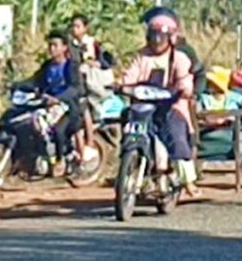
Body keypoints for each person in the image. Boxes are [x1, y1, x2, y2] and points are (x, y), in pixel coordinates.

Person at [120, 13, 201, 198]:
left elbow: (186, 79)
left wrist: (183, 88)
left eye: (161, 37)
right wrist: (122, 85)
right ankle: (130, 162)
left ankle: (188, 180)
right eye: (153, 36)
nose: (157, 41)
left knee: (175, 135)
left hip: (171, 106)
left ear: (171, 38)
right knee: (127, 119)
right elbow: (129, 76)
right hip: (143, 105)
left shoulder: (179, 58)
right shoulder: (141, 56)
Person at [26, 31, 84, 176]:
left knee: (58, 131)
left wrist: (59, 98)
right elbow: (34, 81)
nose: (51, 48)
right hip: (49, 106)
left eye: (55, 45)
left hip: (68, 108)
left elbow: (76, 88)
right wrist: (15, 85)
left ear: (64, 47)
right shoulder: (47, 66)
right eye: (50, 45)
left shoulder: (71, 66)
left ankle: (61, 159)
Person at [69, 14, 112, 156]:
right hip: (76, 82)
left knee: (83, 108)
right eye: (73, 26)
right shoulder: (70, 44)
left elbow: (107, 62)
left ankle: (90, 143)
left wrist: (93, 63)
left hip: (90, 85)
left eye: (78, 26)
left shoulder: (93, 44)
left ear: (85, 28)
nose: (74, 29)